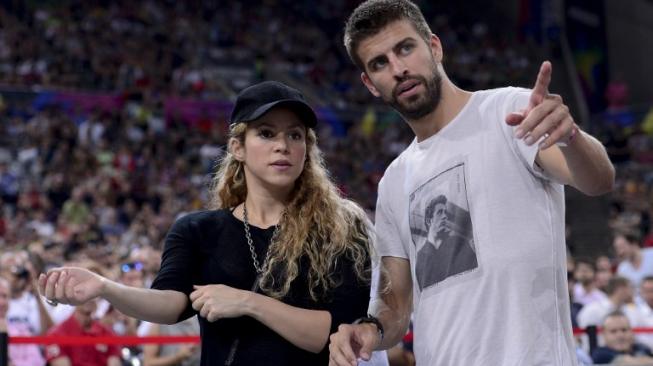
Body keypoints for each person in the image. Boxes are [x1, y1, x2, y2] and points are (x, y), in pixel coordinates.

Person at [328, 1, 615, 365]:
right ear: (370, 84)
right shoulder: (393, 182)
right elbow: (396, 305)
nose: (398, 69)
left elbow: (598, 180)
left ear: (434, 47)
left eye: (405, 48)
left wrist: (571, 136)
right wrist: (369, 328)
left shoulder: (508, 112)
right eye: (379, 63)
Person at [39, 81, 374, 365]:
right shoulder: (198, 230)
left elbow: (335, 332)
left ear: (307, 149)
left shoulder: (341, 229)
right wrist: (105, 287)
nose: (282, 146)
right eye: (266, 133)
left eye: (295, 135)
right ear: (237, 148)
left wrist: (248, 302)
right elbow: (170, 304)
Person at [44, 298, 122, 366]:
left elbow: (114, 362)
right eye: (83, 293)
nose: (89, 299)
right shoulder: (56, 335)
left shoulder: (108, 333)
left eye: (93, 295)